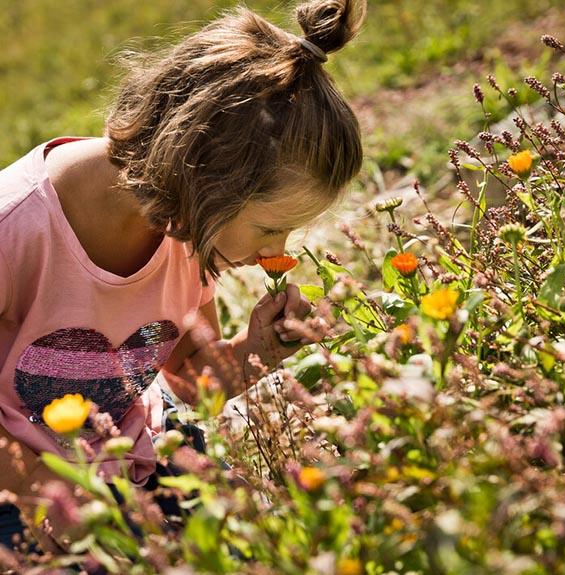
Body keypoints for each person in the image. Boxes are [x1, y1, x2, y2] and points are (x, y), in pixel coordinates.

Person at [0, 0, 366, 555]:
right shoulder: (17, 228)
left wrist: (254, 348)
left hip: (129, 448)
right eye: (271, 228)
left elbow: (189, 375)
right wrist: (50, 499)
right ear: (207, 173)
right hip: (18, 476)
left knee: (246, 546)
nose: (276, 252)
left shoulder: (188, 225)